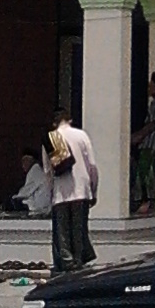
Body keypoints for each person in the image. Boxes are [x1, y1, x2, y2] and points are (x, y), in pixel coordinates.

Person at [48, 108, 98, 270]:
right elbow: (92, 166)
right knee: (79, 230)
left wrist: (51, 194)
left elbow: (48, 172)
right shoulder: (81, 135)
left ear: (54, 123)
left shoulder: (51, 138)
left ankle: (67, 264)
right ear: (69, 120)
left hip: (60, 192)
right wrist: (93, 191)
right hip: (81, 189)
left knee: (62, 234)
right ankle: (78, 262)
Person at [131, 72, 155, 215]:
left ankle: (148, 202)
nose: (148, 88)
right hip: (147, 145)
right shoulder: (153, 104)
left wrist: (138, 136)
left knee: (148, 174)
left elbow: (153, 124)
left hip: (152, 146)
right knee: (142, 173)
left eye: (151, 85)